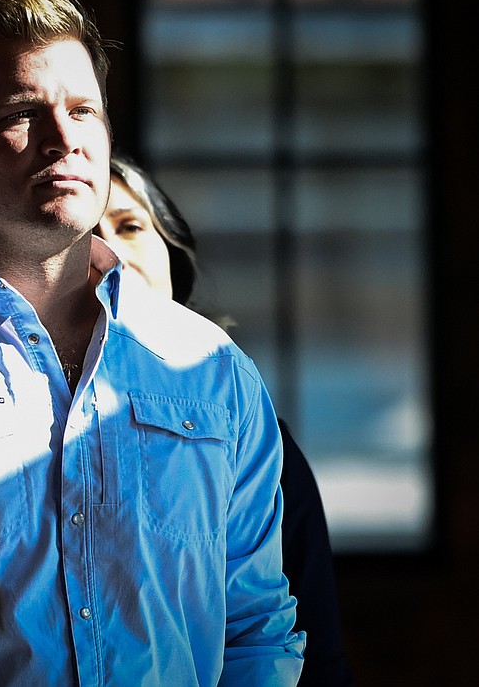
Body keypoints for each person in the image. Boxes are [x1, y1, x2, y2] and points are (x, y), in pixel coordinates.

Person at [0, 0, 305, 685]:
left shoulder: (210, 368)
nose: (64, 138)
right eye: (23, 114)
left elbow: (255, 628)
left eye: (83, 111)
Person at [96, 154, 355, 686]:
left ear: (173, 257)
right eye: (86, 236)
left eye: (130, 225)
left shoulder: (250, 437)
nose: (111, 251)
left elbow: (311, 649)